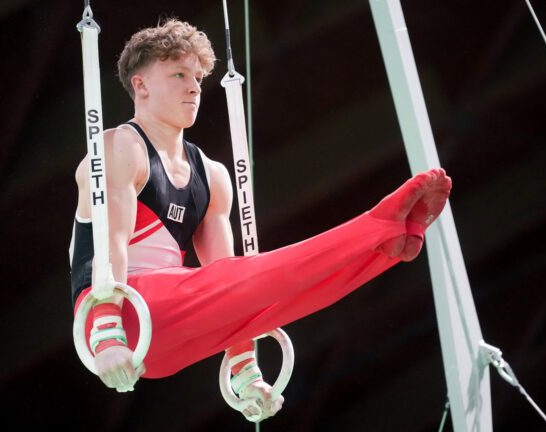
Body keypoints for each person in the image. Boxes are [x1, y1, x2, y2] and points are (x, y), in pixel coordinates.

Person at [69, 18, 451, 420]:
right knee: (264, 275)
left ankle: (382, 248)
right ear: (141, 85)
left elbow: (231, 287)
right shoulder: (118, 148)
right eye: (179, 74)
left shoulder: (212, 175)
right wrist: (106, 333)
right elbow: (111, 244)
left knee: (279, 295)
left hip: (170, 332)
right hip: (122, 312)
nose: (194, 87)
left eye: (197, 77)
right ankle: (377, 225)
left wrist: (245, 372)